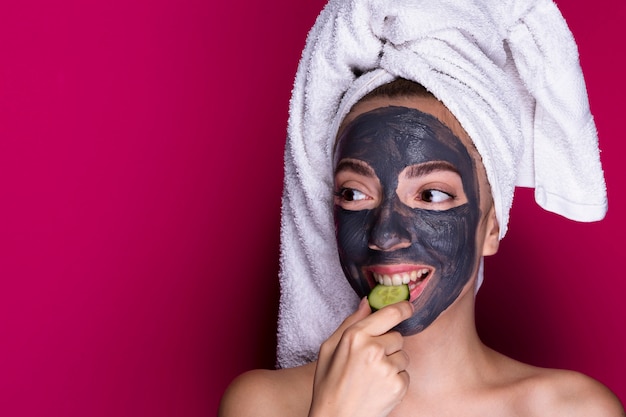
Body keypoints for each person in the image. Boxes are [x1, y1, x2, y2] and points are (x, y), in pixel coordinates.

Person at [220, 0, 625, 415]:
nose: (384, 234)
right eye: (355, 193)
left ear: (491, 227)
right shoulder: (265, 403)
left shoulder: (574, 410)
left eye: (431, 194)